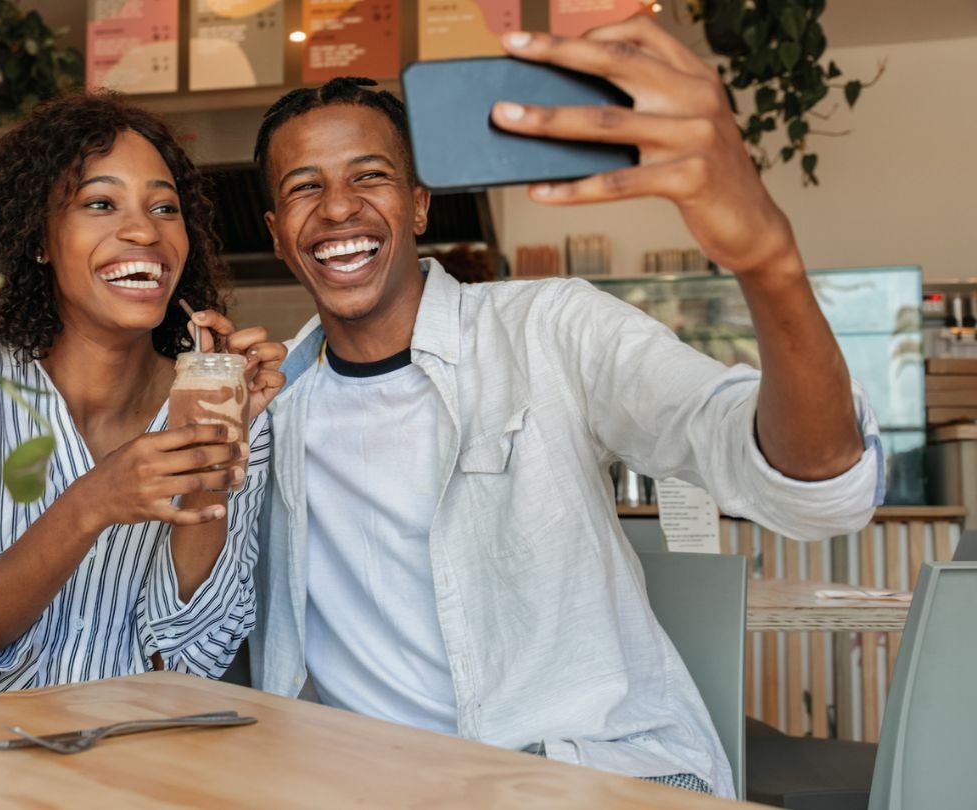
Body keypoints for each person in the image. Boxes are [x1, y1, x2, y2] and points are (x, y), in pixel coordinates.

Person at [192, 17, 881, 798]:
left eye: (370, 176)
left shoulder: (552, 328)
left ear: (419, 207)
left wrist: (769, 261)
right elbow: (195, 633)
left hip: (584, 775)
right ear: (279, 235)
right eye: (304, 187)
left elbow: (813, 484)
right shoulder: (271, 410)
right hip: (369, 784)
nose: (339, 208)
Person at [0, 92, 286, 706]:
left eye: (164, 207)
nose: (143, 231)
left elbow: (191, 655)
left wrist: (215, 454)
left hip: (139, 755)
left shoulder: (225, 397)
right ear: (39, 239)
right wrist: (93, 502)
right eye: (101, 203)